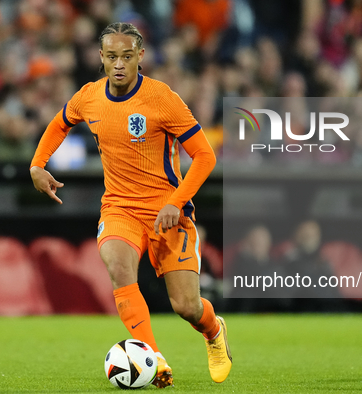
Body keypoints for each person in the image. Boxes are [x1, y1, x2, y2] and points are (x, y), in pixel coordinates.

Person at [29, 23, 231, 388]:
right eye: (111, 57)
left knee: (186, 306)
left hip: (167, 211)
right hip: (119, 209)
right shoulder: (89, 97)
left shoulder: (162, 98)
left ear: (140, 57)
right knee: (119, 270)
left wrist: (176, 202)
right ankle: (155, 361)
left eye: (126, 56)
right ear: (101, 58)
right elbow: (60, 124)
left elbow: (204, 157)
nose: (118, 64)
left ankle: (215, 332)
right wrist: (37, 164)